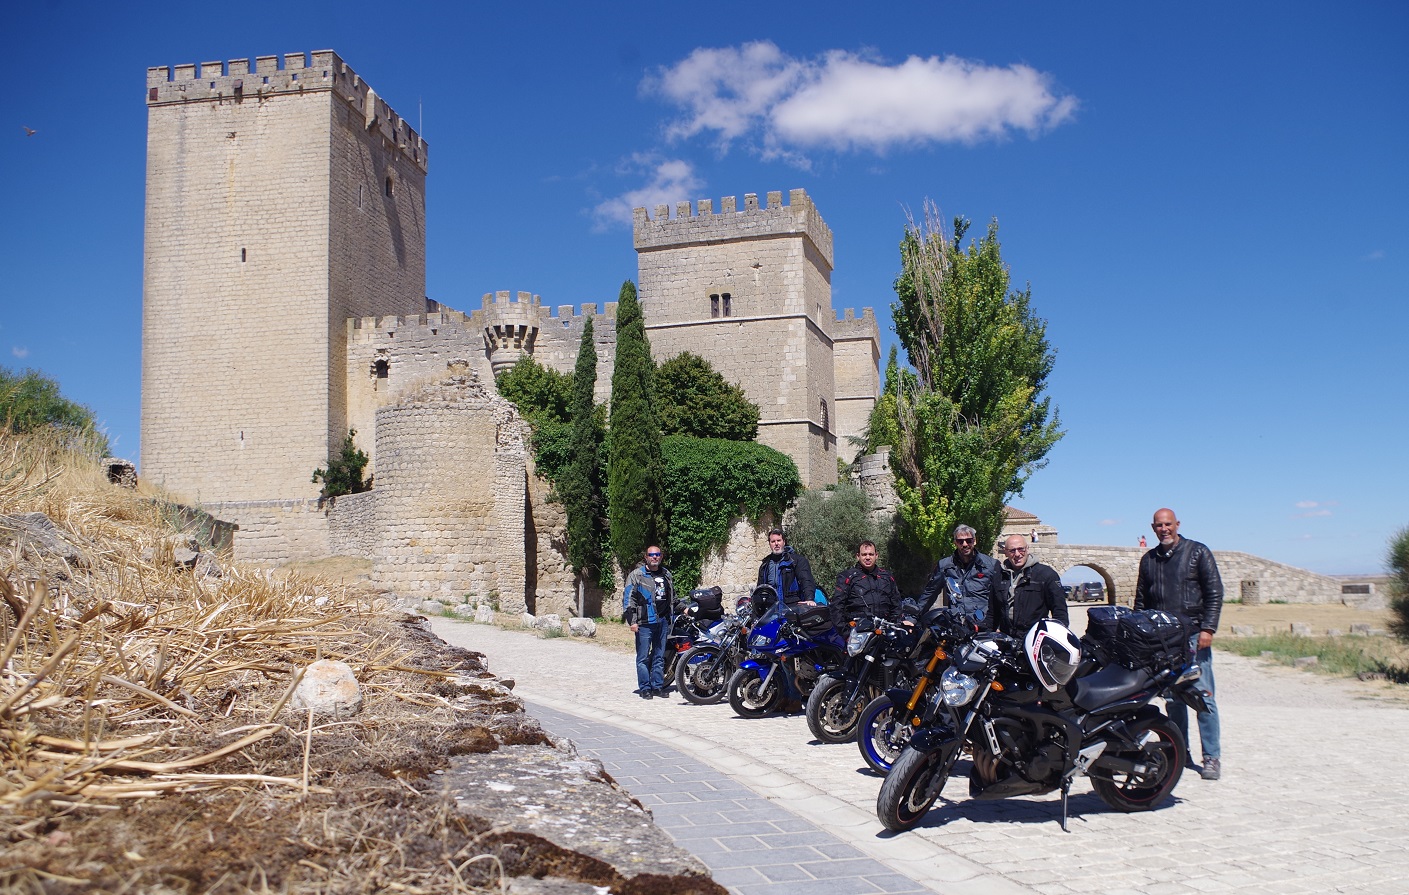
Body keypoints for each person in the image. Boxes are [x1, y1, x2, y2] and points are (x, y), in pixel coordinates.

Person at [1134, 508, 1224, 781]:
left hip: (1194, 636)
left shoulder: (1198, 552)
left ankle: (1211, 757)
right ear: (1153, 528)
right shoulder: (1149, 560)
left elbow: (1214, 592)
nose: (1164, 529)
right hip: (1164, 640)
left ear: (1177, 525)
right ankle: (1180, 752)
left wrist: (1208, 628)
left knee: (1202, 697)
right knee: (1173, 699)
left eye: (1168, 524)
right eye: (1159, 525)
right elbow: (1141, 601)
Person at [914, 524, 1002, 628]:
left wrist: (1000, 626)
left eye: (968, 540)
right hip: (956, 626)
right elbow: (929, 594)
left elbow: (1000, 598)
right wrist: (913, 618)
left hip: (983, 626)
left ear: (974, 541)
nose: (965, 544)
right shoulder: (944, 566)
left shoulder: (991, 565)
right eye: (960, 541)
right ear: (955, 542)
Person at [623, 545, 674, 699]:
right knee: (643, 657)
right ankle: (645, 688)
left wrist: (683, 609)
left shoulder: (666, 574)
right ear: (646, 557)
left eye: (657, 554)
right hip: (644, 622)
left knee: (659, 656)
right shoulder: (636, 575)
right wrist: (632, 621)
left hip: (663, 621)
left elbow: (672, 597)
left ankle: (657, 686)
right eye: (651, 555)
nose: (654, 557)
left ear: (661, 556)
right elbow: (628, 599)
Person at [993, 535, 1069, 636]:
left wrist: (1057, 637)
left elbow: (1060, 612)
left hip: (1034, 640)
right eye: (1012, 550)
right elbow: (992, 611)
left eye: (1021, 549)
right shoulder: (999, 575)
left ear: (1027, 549)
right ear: (1006, 552)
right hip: (1005, 640)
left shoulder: (1046, 574)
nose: (1017, 554)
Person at [831, 541, 902, 628]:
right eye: (864, 554)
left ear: (876, 556)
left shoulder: (887, 577)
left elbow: (896, 605)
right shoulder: (847, 577)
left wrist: (895, 625)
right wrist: (845, 632)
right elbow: (837, 607)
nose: (868, 557)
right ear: (858, 556)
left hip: (884, 630)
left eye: (871, 554)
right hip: (857, 632)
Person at [756, 528, 817, 606]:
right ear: (770, 544)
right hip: (771, 608)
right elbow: (760, 588)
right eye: (773, 541)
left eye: (779, 540)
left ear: (784, 542)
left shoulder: (796, 561)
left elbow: (806, 580)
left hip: (792, 606)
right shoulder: (765, 564)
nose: (776, 544)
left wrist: (809, 599)